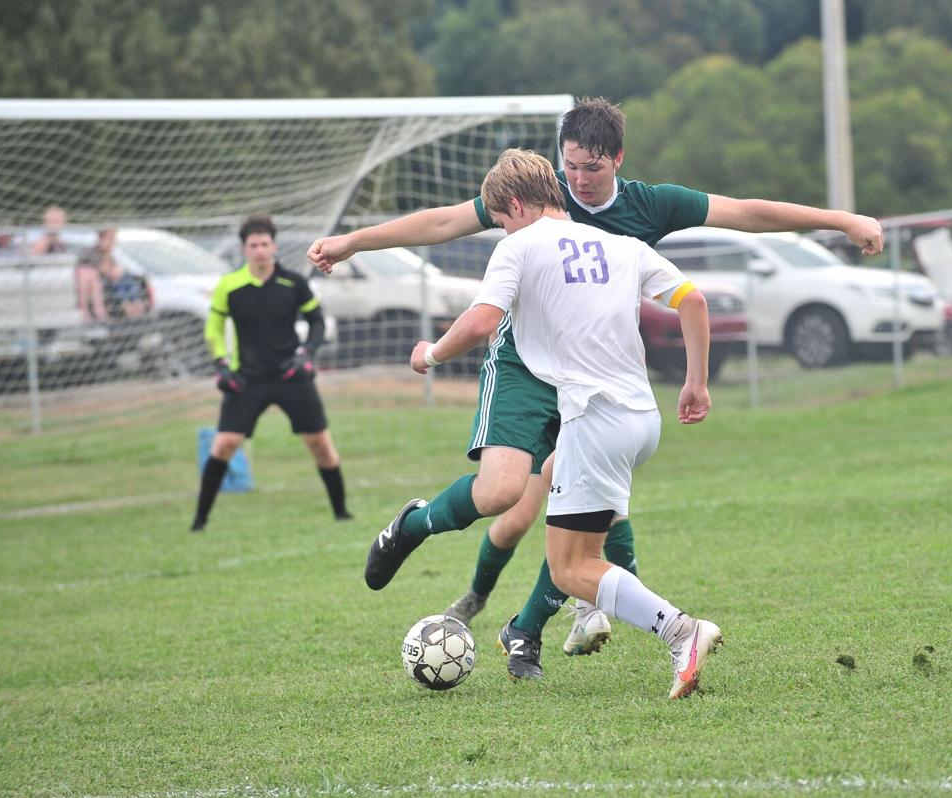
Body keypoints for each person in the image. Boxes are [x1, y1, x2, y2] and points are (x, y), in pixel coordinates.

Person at [308, 97, 884, 672]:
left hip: (599, 377)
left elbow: (748, 213)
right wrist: (354, 241)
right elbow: (441, 222)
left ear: (618, 160)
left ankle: (531, 629)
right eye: (572, 165)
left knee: (588, 513)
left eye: (594, 168)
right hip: (527, 368)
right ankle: (420, 527)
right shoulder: (537, 200)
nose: (580, 180)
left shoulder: (649, 206)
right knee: (504, 500)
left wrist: (842, 220)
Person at [405, 149, 720, 697]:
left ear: (517, 206)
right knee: (560, 493)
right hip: (641, 419)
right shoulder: (621, 245)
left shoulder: (519, 246)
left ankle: (682, 632)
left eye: (499, 219)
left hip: (594, 419)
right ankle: (563, 619)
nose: (501, 228)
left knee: (573, 566)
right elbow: (693, 301)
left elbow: (482, 321)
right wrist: (696, 382)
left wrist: (430, 356)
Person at [191, 214, 352, 533]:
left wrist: (305, 354)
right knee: (223, 445)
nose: (260, 250)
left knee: (321, 445)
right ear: (245, 249)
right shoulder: (229, 285)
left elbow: (317, 322)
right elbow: (213, 328)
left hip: (291, 375)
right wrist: (221, 364)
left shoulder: (293, 282)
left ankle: (341, 513)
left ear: (274, 246)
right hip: (247, 378)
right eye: (254, 245)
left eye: (265, 244)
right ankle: (200, 520)